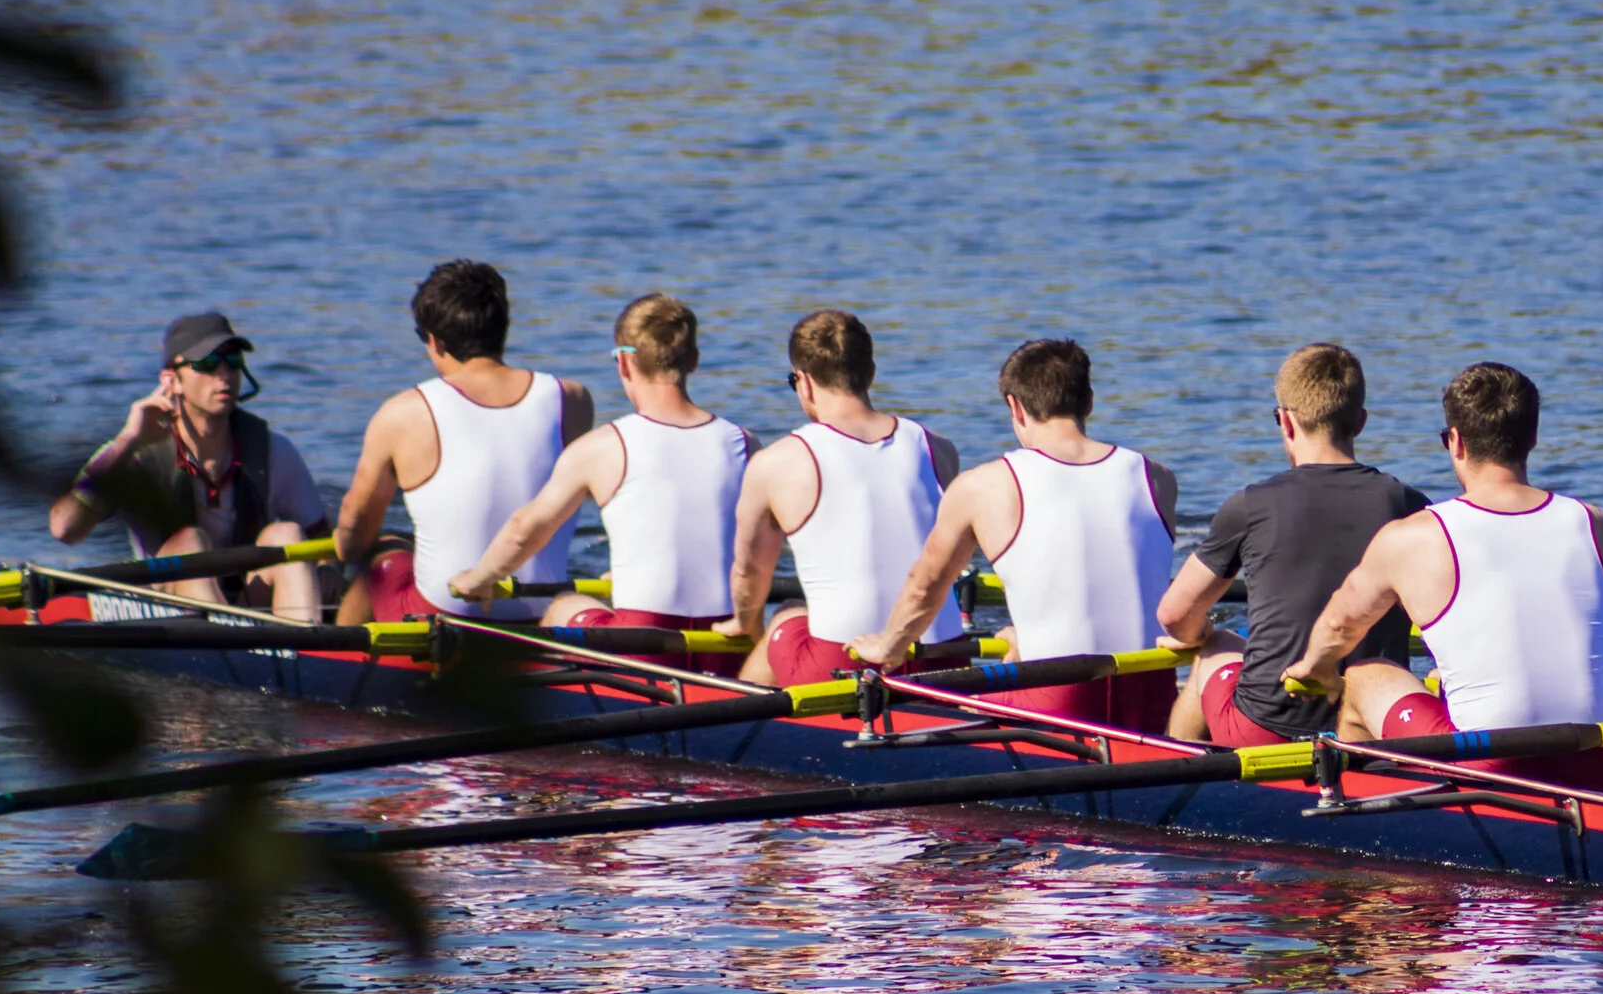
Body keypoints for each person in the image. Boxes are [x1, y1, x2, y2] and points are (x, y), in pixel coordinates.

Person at [1281, 362, 1603, 791]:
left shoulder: (1412, 537)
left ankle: (1360, 808)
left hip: (1493, 766)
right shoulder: (1602, 527)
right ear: (1533, 438)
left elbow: (1340, 625)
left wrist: (1314, 669)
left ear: (1456, 442)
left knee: (1364, 675)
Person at [848, 339, 1179, 731]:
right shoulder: (1157, 477)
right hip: (1153, 693)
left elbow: (926, 586)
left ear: (1014, 407)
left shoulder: (982, 486)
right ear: (1088, 401)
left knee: (951, 708)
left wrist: (889, 645)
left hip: (1059, 699)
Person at [445, 294, 751, 656]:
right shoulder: (746, 444)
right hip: (727, 644)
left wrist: (478, 579)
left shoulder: (602, 447)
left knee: (564, 605)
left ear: (623, 363)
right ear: (694, 361)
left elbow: (523, 530)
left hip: (641, 645)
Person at [1156, 343, 1426, 745]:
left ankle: (1175, 769)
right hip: (1368, 726)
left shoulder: (1250, 505)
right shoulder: (1412, 506)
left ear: (1285, 422)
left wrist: (1192, 637)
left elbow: (1175, 615)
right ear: (1361, 422)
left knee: (1220, 643)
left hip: (1266, 727)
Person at [332, 261, 593, 624]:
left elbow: (352, 534)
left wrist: (349, 552)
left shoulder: (403, 413)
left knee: (383, 556)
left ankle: (337, 664)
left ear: (435, 341)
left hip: (445, 616)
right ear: (502, 328)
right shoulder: (572, 399)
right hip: (541, 610)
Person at [718, 309, 962, 685]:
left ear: (804, 383)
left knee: (786, 617)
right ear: (871, 373)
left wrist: (746, 625)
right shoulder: (939, 448)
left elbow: (749, 573)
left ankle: (733, 720)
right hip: (944, 660)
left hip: (845, 662)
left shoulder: (776, 463)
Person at [49, 312, 326, 620]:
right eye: (207, 363)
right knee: (190, 543)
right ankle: (227, 649)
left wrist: (329, 576)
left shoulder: (274, 452)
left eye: (232, 359)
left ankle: (305, 651)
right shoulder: (134, 454)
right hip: (165, 610)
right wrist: (127, 440)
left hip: (251, 603)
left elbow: (323, 548)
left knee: (287, 535)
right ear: (171, 380)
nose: (223, 374)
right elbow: (65, 530)